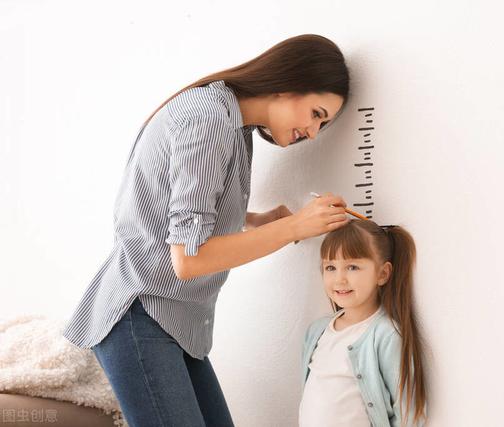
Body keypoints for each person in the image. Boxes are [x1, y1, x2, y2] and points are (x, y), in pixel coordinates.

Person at [62, 34, 350, 427]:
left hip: (174, 319)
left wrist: (258, 220)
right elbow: (189, 259)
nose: (314, 132)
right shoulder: (210, 118)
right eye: (317, 114)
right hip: (141, 310)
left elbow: (182, 203)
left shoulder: (232, 124)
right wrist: (295, 226)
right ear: (287, 85)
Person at [300, 220, 428, 427]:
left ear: (382, 274)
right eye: (330, 267)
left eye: (352, 267)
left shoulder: (385, 334)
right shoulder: (317, 331)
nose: (339, 278)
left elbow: (408, 412)